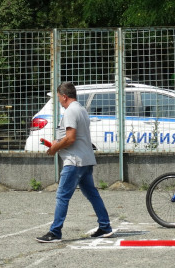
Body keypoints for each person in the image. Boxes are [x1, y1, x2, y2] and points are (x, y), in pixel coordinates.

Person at [36, 82, 113, 243]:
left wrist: (55, 147)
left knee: (62, 196)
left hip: (74, 162)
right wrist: (57, 143)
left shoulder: (71, 111)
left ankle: (55, 232)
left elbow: (70, 138)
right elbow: (71, 135)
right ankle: (105, 226)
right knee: (92, 194)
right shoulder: (81, 109)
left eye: (59, 98)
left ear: (64, 96)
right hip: (85, 160)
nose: (59, 101)